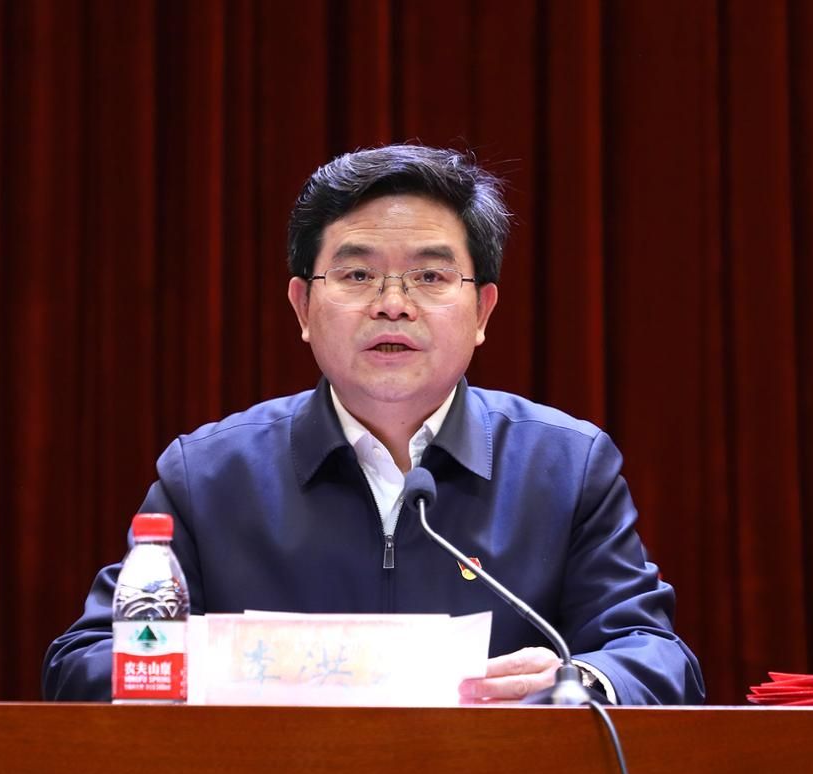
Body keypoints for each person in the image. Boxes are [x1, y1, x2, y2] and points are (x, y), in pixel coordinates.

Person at [43, 144, 704, 705]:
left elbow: (655, 656)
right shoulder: (210, 477)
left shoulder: (564, 467)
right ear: (302, 307)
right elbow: (83, 664)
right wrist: (225, 672)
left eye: (430, 276)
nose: (392, 305)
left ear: (482, 312)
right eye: (358, 274)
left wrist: (574, 682)